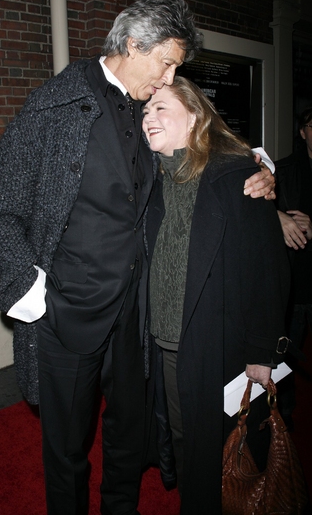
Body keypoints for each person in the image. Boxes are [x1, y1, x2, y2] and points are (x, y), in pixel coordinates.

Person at [0, 0, 275, 515]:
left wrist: (261, 172)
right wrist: (28, 291)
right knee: (66, 448)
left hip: (135, 315)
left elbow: (197, 160)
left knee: (128, 438)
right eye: (166, 63)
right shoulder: (54, 104)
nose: (168, 78)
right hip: (65, 313)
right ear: (134, 45)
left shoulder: (147, 115)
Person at [142, 76, 290, 514]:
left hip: (217, 343)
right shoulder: (152, 180)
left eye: (161, 108)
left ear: (195, 116)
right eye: (145, 109)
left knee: (224, 445)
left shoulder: (237, 177)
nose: (149, 116)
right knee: (187, 438)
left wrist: (263, 351)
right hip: (167, 343)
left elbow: (268, 270)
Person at [274, 106, 312, 426]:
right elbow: (255, 209)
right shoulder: (283, 169)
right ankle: (283, 415)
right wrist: (278, 217)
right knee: (285, 354)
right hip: (296, 283)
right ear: (303, 132)